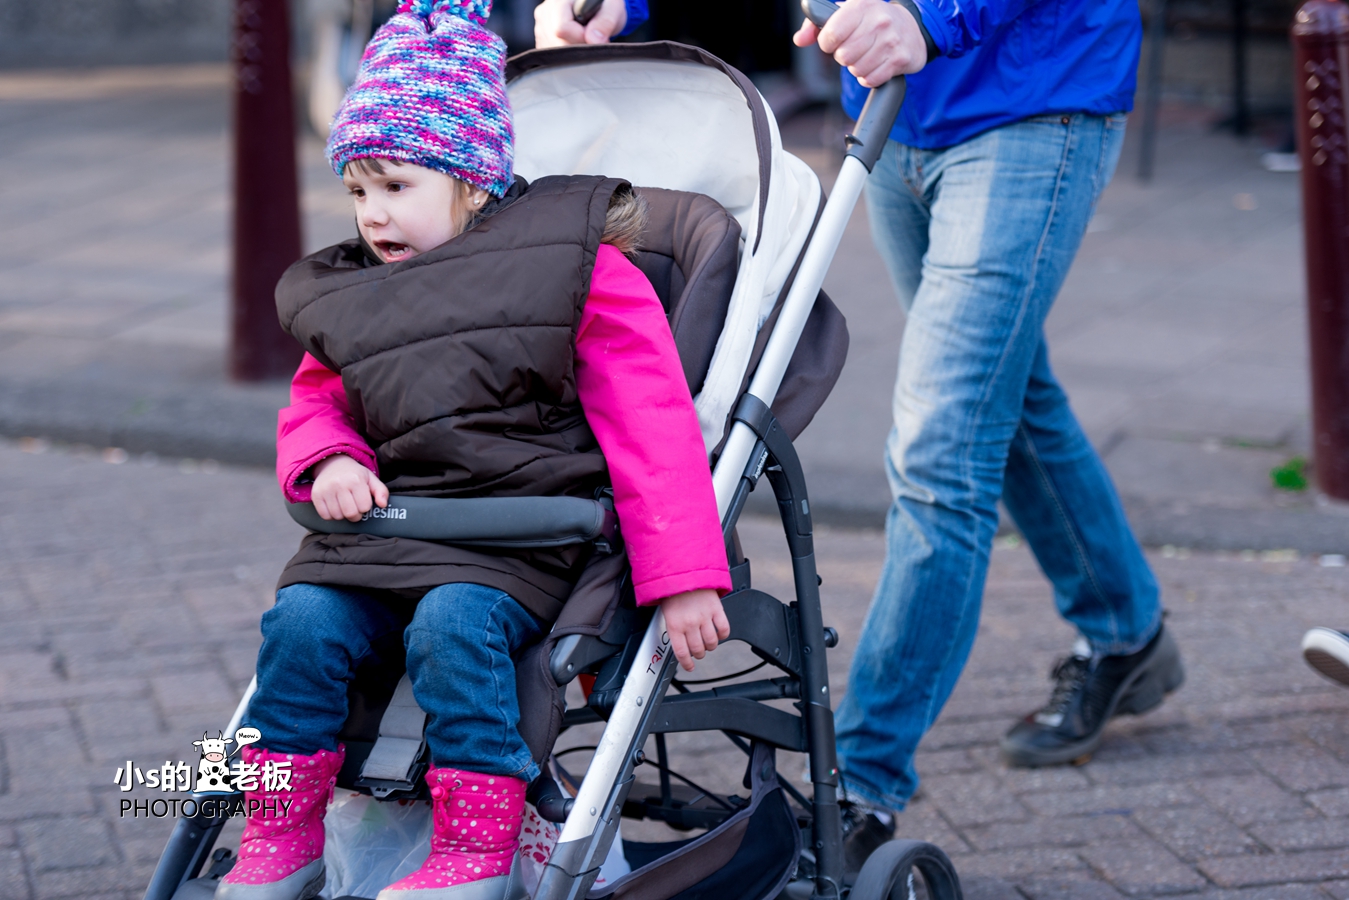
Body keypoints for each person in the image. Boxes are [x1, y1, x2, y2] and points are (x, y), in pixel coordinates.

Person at [539, 0, 1185, 875]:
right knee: (1009, 395)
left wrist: (932, 12)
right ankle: (1125, 633)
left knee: (939, 449)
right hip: (894, 100)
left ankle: (862, 784)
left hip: (1032, 98)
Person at [217, 3, 732, 899]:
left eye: (396, 187)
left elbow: (652, 425)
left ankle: (474, 847)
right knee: (298, 626)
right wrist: (330, 460)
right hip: (381, 535)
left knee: (456, 625)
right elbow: (316, 400)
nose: (372, 215)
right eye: (357, 191)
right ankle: (282, 826)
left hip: (515, 538)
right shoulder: (355, 292)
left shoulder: (575, 269)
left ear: (473, 180)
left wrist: (683, 572)